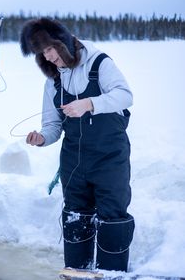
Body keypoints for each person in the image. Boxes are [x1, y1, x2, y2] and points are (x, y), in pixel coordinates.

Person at [19, 18, 135, 272]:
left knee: (112, 219)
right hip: (74, 162)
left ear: (65, 43)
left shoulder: (99, 63)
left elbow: (125, 95)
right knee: (75, 218)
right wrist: (42, 138)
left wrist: (89, 104)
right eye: (42, 53)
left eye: (50, 49)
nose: (48, 57)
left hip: (110, 158)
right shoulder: (53, 82)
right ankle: (76, 274)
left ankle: (110, 276)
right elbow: (52, 125)